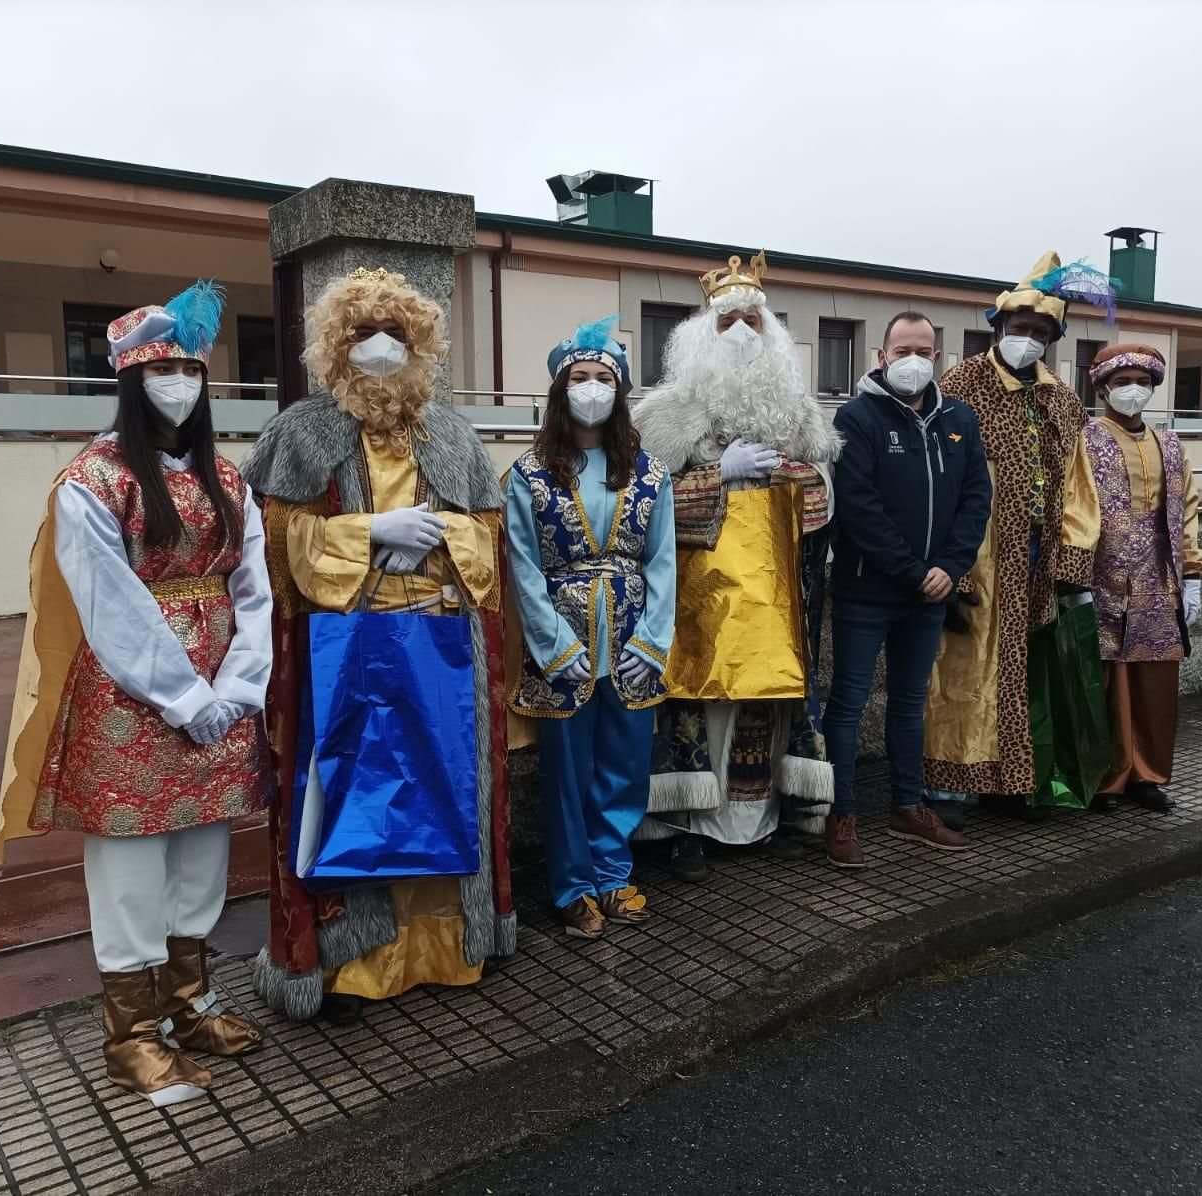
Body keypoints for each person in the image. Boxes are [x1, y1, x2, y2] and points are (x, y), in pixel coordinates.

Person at [0, 281, 272, 1108]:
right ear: (129, 377)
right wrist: (187, 697)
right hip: (132, 706)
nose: (179, 383)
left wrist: (240, 684)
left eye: (191, 367)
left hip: (221, 694)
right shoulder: (93, 478)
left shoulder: (228, 476)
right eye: (163, 369)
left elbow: (252, 589)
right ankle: (131, 1038)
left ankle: (191, 1006)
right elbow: (112, 607)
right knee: (129, 872)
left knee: (203, 860)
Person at [241, 266, 514, 1024]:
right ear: (337, 346)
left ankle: (449, 947)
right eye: (365, 334)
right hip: (349, 653)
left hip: (440, 648)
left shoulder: (452, 434)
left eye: (398, 333)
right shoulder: (301, 432)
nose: (383, 347)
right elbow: (271, 542)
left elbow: (492, 540)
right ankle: (354, 964)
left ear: (422, 344)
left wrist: (436, 535)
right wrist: (366, 534)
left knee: (446, 785)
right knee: (356, 794)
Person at [632, 251, 842, 880]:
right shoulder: (664, 414)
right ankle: (685, 828)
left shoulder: (799, 414)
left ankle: (760, 821)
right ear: (704, 336)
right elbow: (639, 503)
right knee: (701, 705)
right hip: (701, 597)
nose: (745, 331)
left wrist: (798, 478)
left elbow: (826, 496)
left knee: (766, 706)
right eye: (730, 323)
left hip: (776, 596)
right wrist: (713, 478)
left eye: (754, 319)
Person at [925, 253, 1112, 819]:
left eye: (1038, 332)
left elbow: (1080, 487)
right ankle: (950, 784)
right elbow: (936, 478)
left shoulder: (1062, 398)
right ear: (998, 329)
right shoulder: (962, 385)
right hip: (976, 553)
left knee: (1028, 669)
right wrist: (948, 564)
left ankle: (1014, 781)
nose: (1026, 340)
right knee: (966, 667)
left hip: (1038, 553)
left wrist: (1072, 565)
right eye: (1018, 329)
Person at [507, 317, 676, 939]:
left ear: (621, 389)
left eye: (603, 378)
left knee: (624, 767)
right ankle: (573, 885)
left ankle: (613, 870)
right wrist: (554, 646)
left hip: (632, 638)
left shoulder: (650, 473)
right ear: (559, 390)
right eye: (579, 378)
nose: (592, 388)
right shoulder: (527, 474)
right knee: (567, 773)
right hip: (566, 644)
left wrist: (653, 642)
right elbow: (522, 566)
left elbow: (663, 562)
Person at [822, 312, 992, 867]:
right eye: (902, 350)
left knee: (910, 704)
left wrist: (949, 565)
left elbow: (975, 500)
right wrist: (913, 570)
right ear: (882, 357)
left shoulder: (959, 420)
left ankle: (904, 806)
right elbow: (858, 506)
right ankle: (840, 814)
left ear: (937, 358)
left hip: (931, 592)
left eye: (924, 350)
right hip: (867, 591)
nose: (913, 360)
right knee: (846, 707)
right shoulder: (856, 418)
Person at [1082, 343, 1202, 812]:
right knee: (1106, 680)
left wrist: (1191, 574)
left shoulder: (1171, 444)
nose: (1133, 391)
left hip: (1158, 581)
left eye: (1142, 382)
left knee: (1154, 681)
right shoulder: (1085, 441)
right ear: (1102, 387)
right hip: (1102, 577)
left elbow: (1188, 511)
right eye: (1121, 382)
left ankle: (1147, 775)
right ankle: (1106, 777)